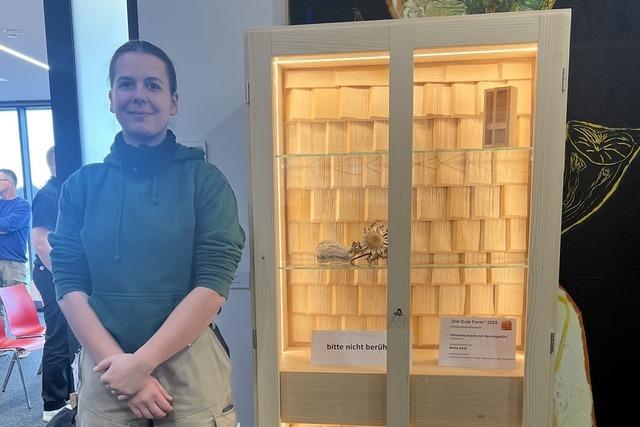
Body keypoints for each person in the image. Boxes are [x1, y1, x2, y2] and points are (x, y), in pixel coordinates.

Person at [50, 40, 245, 426]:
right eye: (127, 84)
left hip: (190, 361)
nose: (139, 95)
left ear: (173, 102)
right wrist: (123, 371)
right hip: (106, 364)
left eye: (152, 85)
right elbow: (68, 283)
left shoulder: (206, 182)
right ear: (111, 98)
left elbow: (212, 284)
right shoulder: (81, 187)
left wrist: (141, 364)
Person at [32, 147, 80, 422]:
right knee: (59, 334)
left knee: (71, 336)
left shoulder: (65, 190)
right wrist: (65, 276)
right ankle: (53, 402)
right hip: (51, 273)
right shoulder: (48, 195)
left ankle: (68, 395)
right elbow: (41, 242)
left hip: (62, 273)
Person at [0, 168, 31, 327]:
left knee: (18, 308)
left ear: (9, 183)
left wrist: (4, 226)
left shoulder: (22, 205)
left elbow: (7, 225)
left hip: (13, 263)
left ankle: (23, 341)